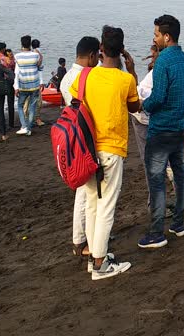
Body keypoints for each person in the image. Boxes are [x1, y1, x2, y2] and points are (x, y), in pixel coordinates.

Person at [69, 25, 140, 279]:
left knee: (91, 204)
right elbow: (135, 106)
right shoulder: (125, 79)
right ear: (121, 50)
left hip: (87, 149)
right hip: (112, 148)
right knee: (106, 206)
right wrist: (131, 70)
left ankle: (94, 258)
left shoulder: (86, 77)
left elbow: (77, 103)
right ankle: (100, 264)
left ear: (100, 49)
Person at [138, 15, 184, 250]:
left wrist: (144, 104)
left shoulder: (163, 62)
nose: (155, 38)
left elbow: (158, 97)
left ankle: (156, 233)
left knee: (157, 181)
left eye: (156, 35)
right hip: (179, 128)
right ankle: (179, 223)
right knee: (181, 177)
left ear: (166, 36)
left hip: (161, 129)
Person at [60, 36, 101, 259]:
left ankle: (88, 235)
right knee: (86, 194)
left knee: (84, 191)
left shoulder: (67, 78)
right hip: (86, 140)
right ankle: (80, 240)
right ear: (92, 55)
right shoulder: (87, 76)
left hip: (72, 139)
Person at [13, 35, 42, 136]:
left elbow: (16, 73)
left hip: (23, 85)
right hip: (35, 85)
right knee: (32, 107)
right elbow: (40, 68)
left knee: (20, 105)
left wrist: (16, 87)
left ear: (21, 44)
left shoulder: (17, 56)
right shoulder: (35, 55)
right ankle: (28, 128)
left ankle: (24, 126)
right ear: (30, 44)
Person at [0, 42, 16, 130]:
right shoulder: (6, 59)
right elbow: (14, 65)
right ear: (3, 49)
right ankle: (11, 124)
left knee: (0, 104)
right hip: (8, 81)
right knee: (10, 103)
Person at [31, 38, 46, 127]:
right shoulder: (37, 53)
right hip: (36, 80)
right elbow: (39, 68)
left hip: (31, 80)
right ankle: (37, 119)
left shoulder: (32, 53)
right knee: (38, 101)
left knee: (32, 101)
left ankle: (34, 118)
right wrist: (41, 81)